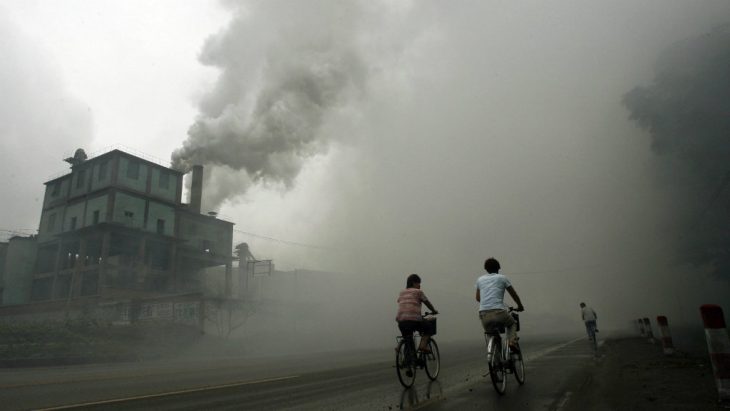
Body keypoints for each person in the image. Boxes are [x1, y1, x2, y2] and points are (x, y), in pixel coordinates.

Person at [475, 258, 524, 348]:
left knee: (491, 335)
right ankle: (512, 342)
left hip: (483, 314)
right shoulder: (502, 278)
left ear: (486, 269)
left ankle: (495, 358)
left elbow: (478, 298)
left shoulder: (480, 280)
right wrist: (520, 306)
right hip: (499, 312)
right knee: (512, 323)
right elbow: (514, 294)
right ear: (498, 268)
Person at [396, 274, 439, 353]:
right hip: (414, 319)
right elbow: (427, 302)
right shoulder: (418, 292)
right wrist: (434, 311)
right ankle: (422, 346)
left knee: (407, 338)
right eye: (418, 283)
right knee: (429, 328)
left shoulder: (402, 292)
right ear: (413, 283)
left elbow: (400, 302)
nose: (420, 285)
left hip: (401, 320)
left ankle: (402, 350)